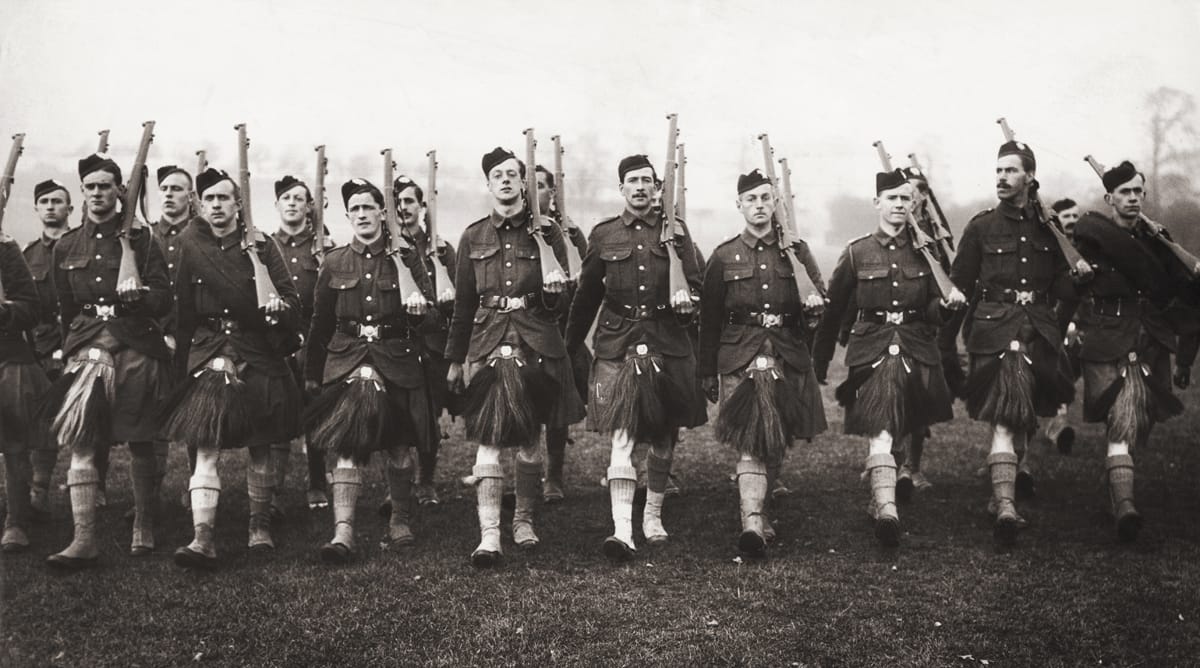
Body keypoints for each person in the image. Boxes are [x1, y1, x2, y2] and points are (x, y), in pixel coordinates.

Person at [445, 147, 583, 567]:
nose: (505, 180)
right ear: (488, 185)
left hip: (536, 341)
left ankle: (523, 518)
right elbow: (464, 304)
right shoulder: (473, 236)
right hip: (488, 342)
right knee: (487, 440)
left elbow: (564, 304)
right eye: (497, 175)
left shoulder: (548, 234)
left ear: (523, 182)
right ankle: (489, 535)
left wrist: (553, 294)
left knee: (528, 439)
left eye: (512, 174)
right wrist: (454, 359)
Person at [564, 154, 705, 560]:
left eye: (647, 180)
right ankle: (622, 530)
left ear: (658, 188)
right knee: (622, 436)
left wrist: (688, 301)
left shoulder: (677, 233)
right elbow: (587, 295)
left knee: (663, 437)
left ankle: (653, 516)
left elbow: (697, 289)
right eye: (632, 181)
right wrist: (570, 345)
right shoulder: (604, 235)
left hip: (667, 341)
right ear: (621, 189)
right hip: (618, 343)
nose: (640, 187)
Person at [813, 169, 964, 546]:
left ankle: (885, 488)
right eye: (891, 198)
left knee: (902, 427)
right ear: (877, 203)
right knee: (880, 429)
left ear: (914, 204)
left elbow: (931, 308)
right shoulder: (857, 251)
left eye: (905, 199)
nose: (899, 205)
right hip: (872, 348)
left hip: (916, 347)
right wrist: (820, 361)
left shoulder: (926, 252)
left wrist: (945, 308)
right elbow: (834, 312)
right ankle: (886, 510)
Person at [162, 167, 302, 569]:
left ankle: (260, 526)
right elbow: (182, 311)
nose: (217, 206)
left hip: (255, 349)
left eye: (224, 198)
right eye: (209, 200)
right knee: (206, 445)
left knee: (260, 445)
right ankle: (202, 538)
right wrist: (182, 363)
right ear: (200, 206)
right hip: (209, 350)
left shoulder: (263, 246)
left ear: (239, 204)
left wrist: (278, 308)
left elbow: (293, 303)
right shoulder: (191, 247)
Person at [44, 154, 173, 568]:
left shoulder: (144, 240)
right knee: (80, 439)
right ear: (82, 192)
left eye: (105, 185)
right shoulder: (67, 244)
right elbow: (64, 305)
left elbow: (164, 299)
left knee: (140, 439)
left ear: (120, 190)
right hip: (86, 347)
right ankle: (84, 538)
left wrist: (140, 297)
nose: (97, 193)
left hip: (134, 342)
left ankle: (144, 526)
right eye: (90, 187)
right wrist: (71, 346)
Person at [950, 140, 1082, 545]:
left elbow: (1063, 285)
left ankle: (1003, 492)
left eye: (1011, 170)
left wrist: (1078, 276)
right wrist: (946, 334)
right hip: (995, 331)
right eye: (998, 170)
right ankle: (1005, 504)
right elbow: (959, 283)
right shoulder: (981, 226)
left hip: (1039, 332)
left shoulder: (1049, 229)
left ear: (1030, 177)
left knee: (1026, 416)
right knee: (1006, 417)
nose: (1002, 177)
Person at [699, 169, 827, 556]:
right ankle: (751, 521)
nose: (759, 206)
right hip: (740, 354)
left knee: (775, 439)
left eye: (765, 199)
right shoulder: (723, 256)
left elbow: (819, 302)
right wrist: (707, 371)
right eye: (751, 199)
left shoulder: (797, 252)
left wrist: (813, 311)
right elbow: (709, 319)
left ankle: (763, 509)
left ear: (776, 204)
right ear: (738, 205)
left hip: (785, 352)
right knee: (750, 443)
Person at [303, 178, 433, 562]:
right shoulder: (335, 261)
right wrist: (313, 371)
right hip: (348, 360)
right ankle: (343, 530)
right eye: (355, 209)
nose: (362, 215)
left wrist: (420, 312)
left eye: (368, 207)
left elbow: (432, 318)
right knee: (347, 447)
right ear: (348, 216)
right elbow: (320, 321)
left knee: (398, 447)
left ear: (382, 212)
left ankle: (400, 518)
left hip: (396, 361)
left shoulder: (408, 259)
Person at [1070, 161, 1190, 541]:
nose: (1133, 198)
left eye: (1139, 191)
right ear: (1110, 198)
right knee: (1120, 422)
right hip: (1108, 340)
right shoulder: (1091, 237)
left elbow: (1178, 291)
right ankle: (1125, 506)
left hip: (1150, 342)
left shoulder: (1157, 241)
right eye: (1125, 192)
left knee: (1139, 422)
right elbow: (1070, 282)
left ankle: (1118, 490)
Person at [271, 174, 335, 511]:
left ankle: (317, 483)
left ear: (310, 206)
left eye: (299, 198)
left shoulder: (325, 247)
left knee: (314, 409)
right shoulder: (267, 246)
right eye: (287, 198)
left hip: (314, 337)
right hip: (278, 336)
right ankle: (273, 490)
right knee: (279, 410)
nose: (293, 203)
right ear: (277, 205)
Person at [395, 174, 456, 507]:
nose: (403, 208)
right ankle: (399, 484)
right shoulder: (387, 247)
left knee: (429, 414)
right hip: (398, 344)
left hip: (432, 344)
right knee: (398, 415)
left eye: (409, 201)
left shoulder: (442, 249)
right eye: (398, 202)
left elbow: (459, 298)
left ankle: (426, 480)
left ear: (421, 206)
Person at [534, 164, 588, 502]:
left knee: (557, 406)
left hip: (562, 330)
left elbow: (585, 280)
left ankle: (553, 474)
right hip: (526, 327)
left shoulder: (570, 232)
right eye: (531, 185)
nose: (534, 191)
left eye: (542, 185)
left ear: (552, 193)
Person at [0, 222, 51, 552]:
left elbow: (31, 309)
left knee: (14, 441)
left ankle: (16, 520)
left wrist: (3, 311)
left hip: (7, 357)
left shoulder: (5, 248)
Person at [24, 179, 71, 515]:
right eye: (45, 201)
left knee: (92, 418)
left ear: (70, 208)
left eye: (58, 200)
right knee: (43, 422)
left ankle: (92, 486)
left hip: (81, 342)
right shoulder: (28, 255)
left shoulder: (83, 245)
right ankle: (39, 489)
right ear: (37, 209)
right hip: (42, 349)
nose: (51, 206)